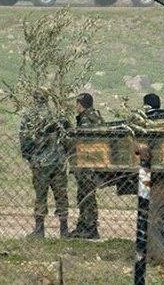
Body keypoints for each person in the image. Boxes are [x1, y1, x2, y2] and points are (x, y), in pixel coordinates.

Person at [19, 90, 71, 239]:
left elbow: (24, 139)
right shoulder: (57, 114)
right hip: (58, 162)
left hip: (40, 163)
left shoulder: (29, 115)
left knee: (41, 196)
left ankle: (39, 229)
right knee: (61, 195)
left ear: (35, 98)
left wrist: (29, 157)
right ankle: (64, 229)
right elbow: (68, 135)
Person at [71, 92, 104, 239]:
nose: (76, 107)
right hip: (94, 162)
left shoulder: (86, 119)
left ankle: (89, 228)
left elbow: (82, 141)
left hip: (87, 163)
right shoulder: (96, 116)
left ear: (81, 104)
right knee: (85, 195)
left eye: (77, 104)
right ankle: (84, 226)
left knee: (86, 196)